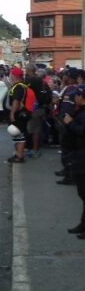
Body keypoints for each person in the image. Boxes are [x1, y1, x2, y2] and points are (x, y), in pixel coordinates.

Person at [62, 84, 85, 239]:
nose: (74, 97)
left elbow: (82, 131)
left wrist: (70, 122)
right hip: (78, 155)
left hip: (82, 156)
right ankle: (83, 224)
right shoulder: (80, 111)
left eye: (77, 95)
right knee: (82, 193)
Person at [7, 67, 29, 163]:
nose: (10, 76)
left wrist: (12, 113)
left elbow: (16, 100)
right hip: (18, 114)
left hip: (18, 114)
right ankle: (17, 154)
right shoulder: (19, 85)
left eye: (11, 75)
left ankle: (20, 155)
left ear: (14, 75)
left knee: (19, 135)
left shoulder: (19, 87)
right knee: (16, 134)